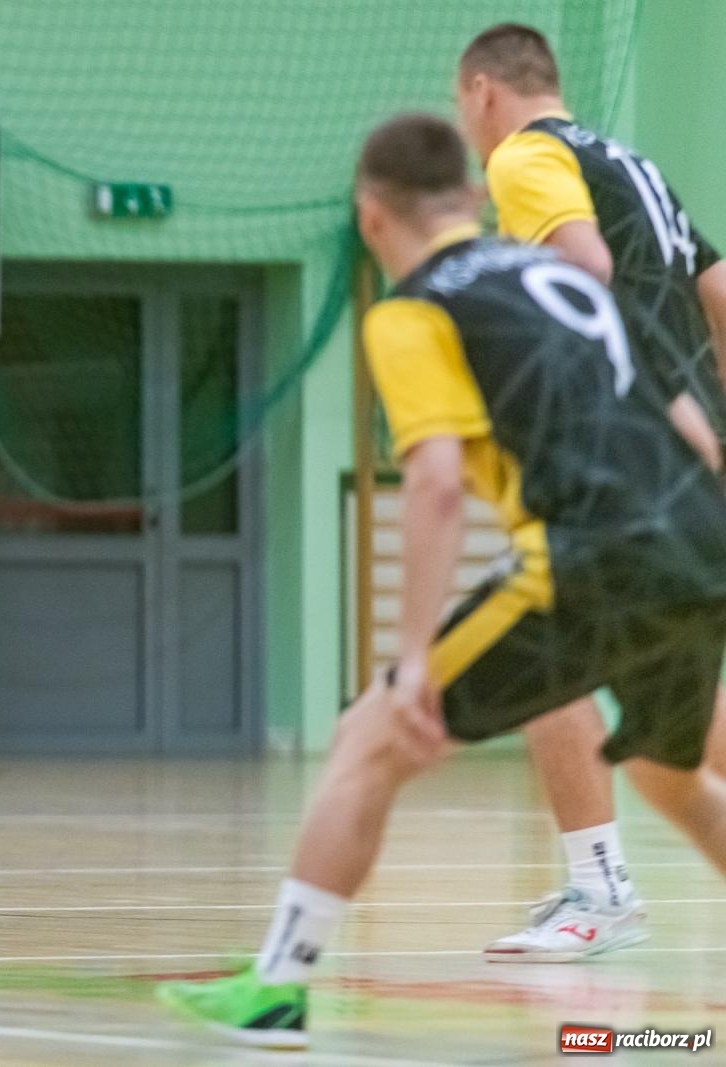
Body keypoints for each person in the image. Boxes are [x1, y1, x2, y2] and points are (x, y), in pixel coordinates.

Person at [158, 113, 726, 1050]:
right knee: (673, 778)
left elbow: (431, 486)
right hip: (703, 540)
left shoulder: (415, 309)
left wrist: (413, 660)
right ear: (470, 196)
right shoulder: (566, 275)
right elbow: (696, 428)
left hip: (591, 554)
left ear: (371, 217)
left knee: (368, 730)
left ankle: (277, 987)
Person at [456, 22, 726, 961]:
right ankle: (599, 883)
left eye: (465, 106)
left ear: (485, 90)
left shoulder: (524, 160)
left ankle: (600, 888)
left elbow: (581, 269)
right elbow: (720, 292)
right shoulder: (634, 167)